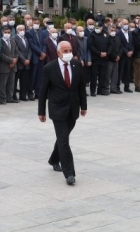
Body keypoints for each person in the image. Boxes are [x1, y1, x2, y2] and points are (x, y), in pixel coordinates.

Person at [38, 41, 87, 186]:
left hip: (73, 108)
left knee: (62, 137)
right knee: (64, 140)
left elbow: (81, 88)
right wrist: (41, 111)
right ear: (58, 53)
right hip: (57, 108)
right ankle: (69, 173)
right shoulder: (49, 68)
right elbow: (43, 91)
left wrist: (83, 106)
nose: (68, 53)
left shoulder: (77, 65)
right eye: (65, 51)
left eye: (70, 50)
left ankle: (54, 159)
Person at [87, 19, 113, 96]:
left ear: (102, 27)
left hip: (104, 58)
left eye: (99, 27)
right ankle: (93, 90)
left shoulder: (106, 34)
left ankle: (100, 90)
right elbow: (90, 45)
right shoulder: (92, 35)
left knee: (103, 75)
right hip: (95, 58)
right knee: (94, 76)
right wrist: (99, 53)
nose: (97, 28)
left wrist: (107, 53)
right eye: (96, 27)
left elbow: (110, 45)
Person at [0, 26, 19, 105]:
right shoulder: (0, 41)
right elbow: (0, 54)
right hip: (4, 65)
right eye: (5, 32)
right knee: (3, 83)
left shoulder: (12, 41)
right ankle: (2, 98)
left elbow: (17, 52)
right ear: (2, 33)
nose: (7, 34)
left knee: (11, 82)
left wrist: (14, 60)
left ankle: (9, 98)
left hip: (13, 65)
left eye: (8, 32)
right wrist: (10, 60)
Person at [13, 25, 32, 101]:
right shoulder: (15, 38)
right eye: (20, 29)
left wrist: (28, 59)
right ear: (17, 30)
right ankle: (14, 95)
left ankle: (23, 95)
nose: (22, 31)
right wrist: (23, 60)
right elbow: (16, 50)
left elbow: (29, 50)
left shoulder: (25, 38)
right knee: (15, 80)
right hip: (19, 63)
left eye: (23, 29)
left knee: (24, 81)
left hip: (26, 63)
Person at [106, 25, 123, 94]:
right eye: (111, 30)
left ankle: (113, 88)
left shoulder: (118, 38)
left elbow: (121, 47)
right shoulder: (107, 38)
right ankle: (106, 88)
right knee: (108, 74)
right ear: (108, 31)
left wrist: (119, 55)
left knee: (115, 75)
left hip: (117, 59)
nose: (113, 32)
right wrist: (114, 56)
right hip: (110, 59)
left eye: (114, 30)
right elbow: (108, 49)